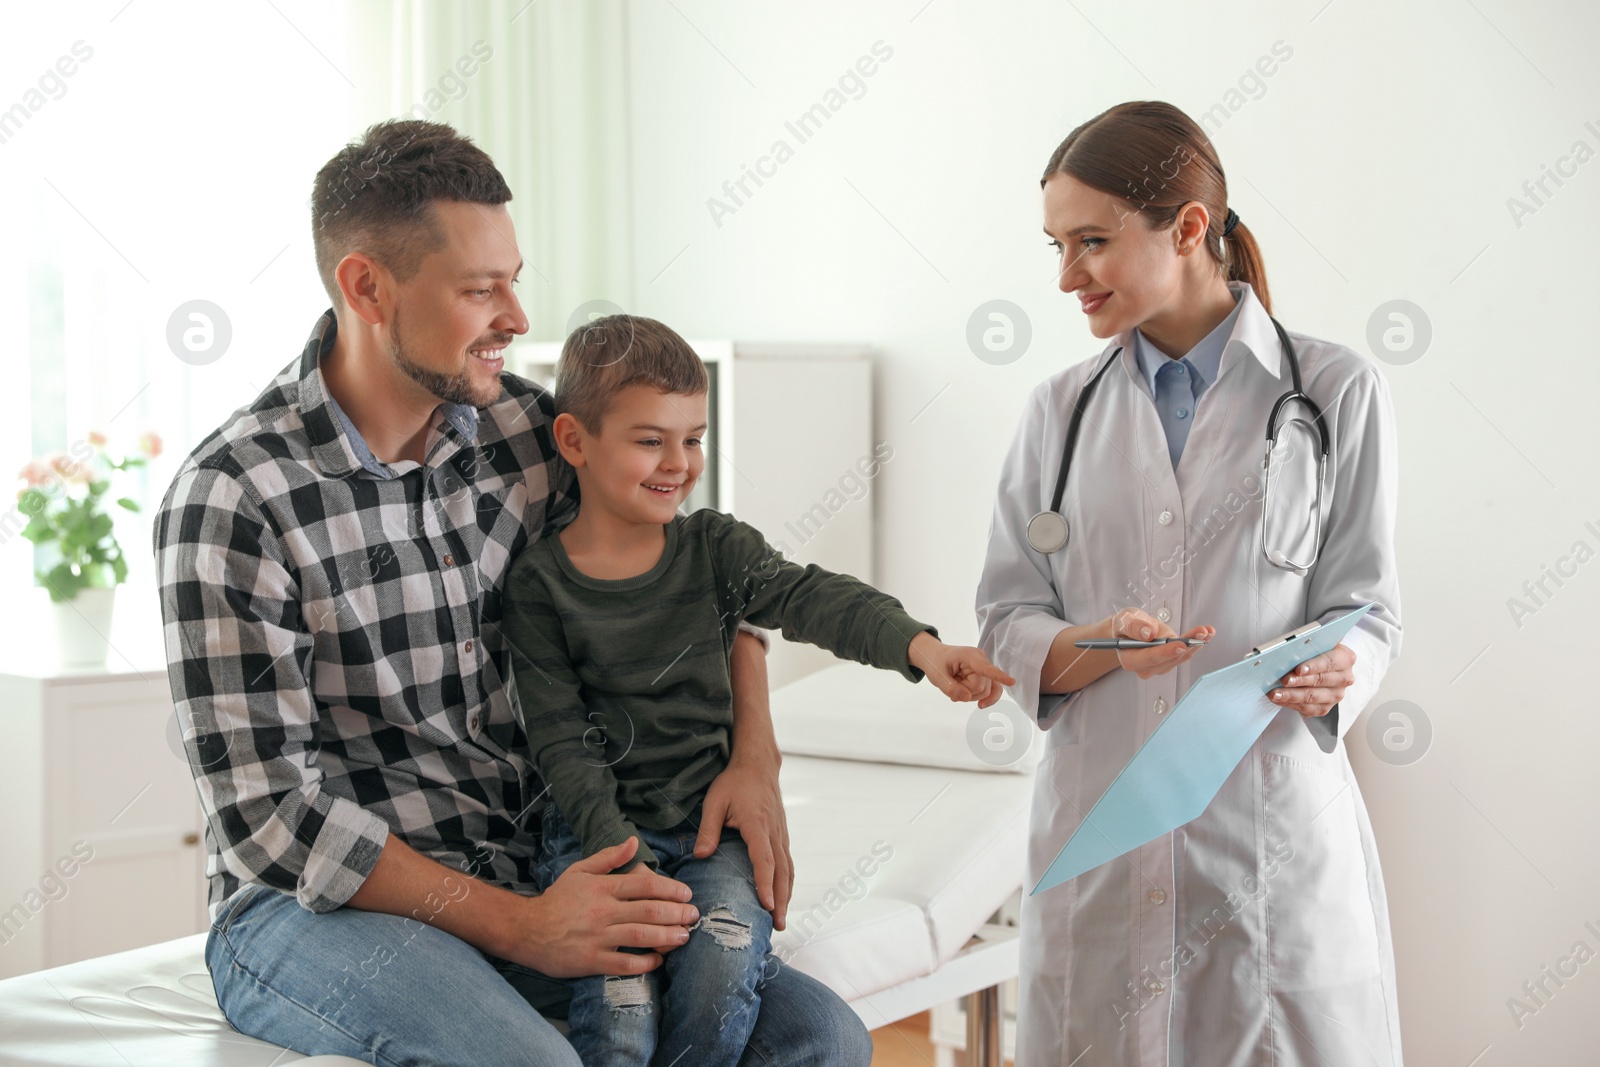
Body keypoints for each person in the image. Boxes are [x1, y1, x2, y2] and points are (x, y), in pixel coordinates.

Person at [153, 118, 873, 1066]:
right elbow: (273, 819)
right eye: (480, 289)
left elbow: (707, 581)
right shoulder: (236, 497)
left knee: (823, 1037)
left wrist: (755, 756)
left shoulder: (535, 438)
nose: (519, 318)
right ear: (367, 286)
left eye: (515, 279)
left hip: (536, 862)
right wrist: (523, 927)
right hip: (313, 910)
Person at [975, 101, 1404, 1065]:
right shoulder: (1057, 412)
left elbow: (1367, 602)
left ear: (1190, 227)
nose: (1064, 276)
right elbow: (1006, 614)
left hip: (1267, 825)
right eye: (1055, 244)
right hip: (1103, 832)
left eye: (1092, 241)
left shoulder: (1334, 390)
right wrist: (1089, 644)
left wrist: (1346, 659)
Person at [499, 313, 1014, 1066]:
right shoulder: (540, 585)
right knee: (621, 1008)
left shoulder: (715, 548)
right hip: (595, 840)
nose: (679, 461)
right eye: (651, 439)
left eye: (694, 437)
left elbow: (814, 599)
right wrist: (620, 858)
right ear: (575, 440)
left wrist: (921, 647)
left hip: (715, 839)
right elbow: (560, 740)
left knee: (719, 971)